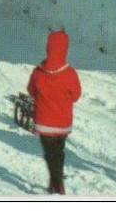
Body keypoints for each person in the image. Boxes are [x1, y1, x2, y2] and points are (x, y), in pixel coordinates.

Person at [27, 29, 81, 195]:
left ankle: (57, 183)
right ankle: (56, 181)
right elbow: (76, 94)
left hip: (44, 122)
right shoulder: (70, 73)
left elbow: (31, 90)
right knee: (59, 152)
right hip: (63, 123)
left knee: (50, 154)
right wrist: (64, 102)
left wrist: (42, 100)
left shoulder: (38, 72)